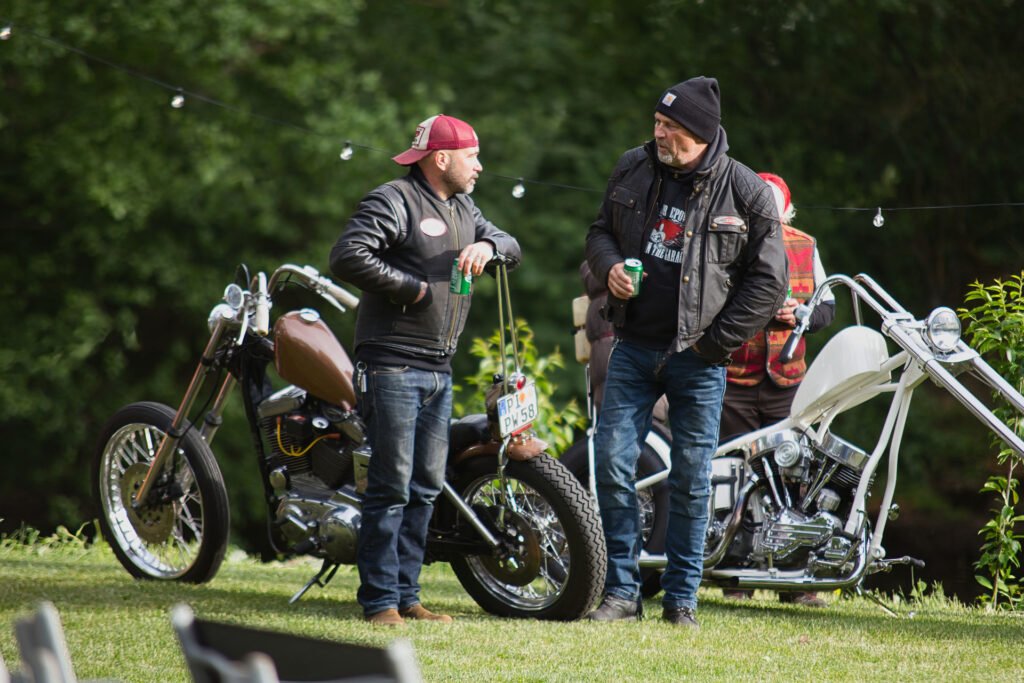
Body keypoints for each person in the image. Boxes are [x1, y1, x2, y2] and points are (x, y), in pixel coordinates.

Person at [585, 76, 788, 628]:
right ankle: (622, 594)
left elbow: (770, 283)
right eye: (657, 122)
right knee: (609, 462)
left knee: (692, 478)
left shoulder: (745, 191)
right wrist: (608, 270)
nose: (660, 134)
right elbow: (600, 232)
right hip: (631, 346)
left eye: (671, 128)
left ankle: (681, 602)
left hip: (697, 359)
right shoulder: (633, 165)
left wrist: (714, 343)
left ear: (701, 134)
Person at [330, 114, 521, 627]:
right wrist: (411, 288)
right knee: (391, 485)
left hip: (439, 369)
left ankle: (408, 596)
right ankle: (378, 603)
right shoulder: (394, 199)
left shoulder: (463, 205)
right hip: (390, 364)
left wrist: (489, 245)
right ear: (442, 159)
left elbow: (511, 243)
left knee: (426, 486)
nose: (480, 165)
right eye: (472, 156)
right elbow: (348, 255)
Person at [719, 172, 835, 607]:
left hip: (788, 380)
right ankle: (737, 573)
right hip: (736, 377)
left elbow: (826, 307)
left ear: (788, 209)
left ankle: (797, 578)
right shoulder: (729, 243)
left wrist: (800, 313)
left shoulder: (806, 245)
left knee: (795, 473)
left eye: (775, 205)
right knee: (737, 474)